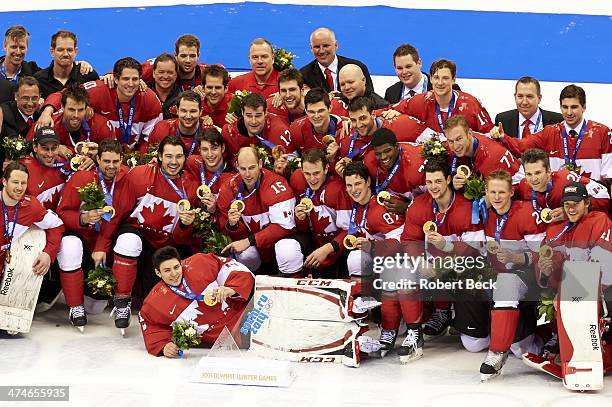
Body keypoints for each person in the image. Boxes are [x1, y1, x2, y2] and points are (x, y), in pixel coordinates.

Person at [93, 136, 198, 333]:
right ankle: (122, 302)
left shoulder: (190, 187)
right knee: (128, 241)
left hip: (162, 249)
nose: (173, 162)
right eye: (168, 156)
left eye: (178, 157)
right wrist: (101, 245)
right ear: (159, 156)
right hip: (137, 235)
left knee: (153, 299)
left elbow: (182, 240)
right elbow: (118, 212)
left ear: (185, 158)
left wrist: (185, 226)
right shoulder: (139, 175)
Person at [525, 182, 612, 379]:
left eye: (576, 203)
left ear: (587, 203)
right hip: (575, 292)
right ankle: (569, 352)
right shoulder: (556, 229)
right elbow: (551, 266)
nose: (571, 208)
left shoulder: (600, 220)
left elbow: (604, 267)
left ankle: (585, 358)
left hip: (603, 289)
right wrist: (546, 272)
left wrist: (572, 292)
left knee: (572, 292)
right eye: (567, 204)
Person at [479, 169, 545, 381]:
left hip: (527, 278)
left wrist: (518, 259)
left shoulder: (526, 214)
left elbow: (544, 256)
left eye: (501, 192)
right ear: (486, 193)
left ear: (511, 192)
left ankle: (497, 353)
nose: (496, 197)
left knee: (506, 283)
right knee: (473, 343)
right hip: (498, 279)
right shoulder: (484, 213)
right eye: (492, 192)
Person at [55, 139, 128, 330]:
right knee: (70, 245)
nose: (111, 166)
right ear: (97, 159)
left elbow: (118, 220)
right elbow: (62, 213)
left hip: (106, 245)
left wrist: (101, 248)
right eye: (106, 161)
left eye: (115, 162)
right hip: (83, 240)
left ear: (122, 160)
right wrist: (83, 218)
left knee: (95, 307)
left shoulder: (128, 180)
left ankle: (119, 301)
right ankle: (74, 306)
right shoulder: (81, 178)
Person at [139, 246, 254, 357]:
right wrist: (164, 346)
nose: (174, 274)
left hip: (247, 314)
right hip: (228, 340)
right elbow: (150, 324)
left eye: (176, 267)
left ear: (181, 263)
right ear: (158, 273)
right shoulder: (154, 303)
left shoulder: (201, 262)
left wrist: (232, 288)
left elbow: (231, 267)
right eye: (167, 270)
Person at [492, 84, 612, 182]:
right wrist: (503, 137)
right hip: (557, 200)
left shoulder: (602, 132)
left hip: (590, 201)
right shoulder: (550, 132)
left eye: (574, 107)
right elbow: (521, 146)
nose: (569, 112)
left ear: (584, 107)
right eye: (565, 107)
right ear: (560, 107)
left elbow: (609, 177)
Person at [40, 57, 163, 152]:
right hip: (102, 155)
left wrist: (136, 160)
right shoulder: (99, 91)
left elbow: (151, 140)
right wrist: (47, 112)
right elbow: (63, 95)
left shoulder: (150, 100)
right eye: (126, 79)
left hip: (131, 157)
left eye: (135, 79)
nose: (131, 84)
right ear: (115, 78)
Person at [217, 147, 296, 272]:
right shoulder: (228, 189)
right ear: (237, 166)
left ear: (260, 163)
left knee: (287, 250)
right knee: (245, 255)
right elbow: (226, 232)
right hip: (256, 249)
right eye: (243, 169)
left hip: (280, 243)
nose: (247, 174)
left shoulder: (276, 184)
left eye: (252, 168)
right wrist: (232, 225)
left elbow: (284, 226)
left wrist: (249, 241)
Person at [283, 149, 352, 277]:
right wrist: (300, 219)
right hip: (314, 244)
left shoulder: (337, 189)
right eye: (307, 174)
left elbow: (350, 230)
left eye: (316, 173)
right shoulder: (297, 180)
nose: (312, 179)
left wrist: (327, 249)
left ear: (326, 169)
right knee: (285, 247)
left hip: (338, 249)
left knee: (355, 259)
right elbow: (303, 229)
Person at [386, 59, 493, 134]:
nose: (440, 83)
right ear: (431, 79)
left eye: (445, 78)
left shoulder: (471, 103)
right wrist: (396, 111)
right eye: (436, 78)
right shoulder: (422, 100)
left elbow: (489, 132)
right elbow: (387, 110)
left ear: (453, 79)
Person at [0, 161, 64, 274]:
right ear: (4, 181)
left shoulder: (31, 206)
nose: (19, 188)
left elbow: (57, 225)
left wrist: (48, 253)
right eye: (15, 182)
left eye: (23, 183)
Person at [515, 148, 609, 224]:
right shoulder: (524, 186)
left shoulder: (566, 180)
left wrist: (572, 210)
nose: (533, 179)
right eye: (529, 174)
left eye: (538, 173)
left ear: (548, 171)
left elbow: (604, 197)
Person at [25, 83, 113, 159]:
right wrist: (53, 148)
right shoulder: (46, 125)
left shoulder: (101, 125)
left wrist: (98, 157)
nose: (76, 115)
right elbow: (26, 151)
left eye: (81, 110)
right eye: (71, 109)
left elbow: (115, 155)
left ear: (86, 108)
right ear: (62, 107)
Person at [445, 115, 523, 193]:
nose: (455, 147)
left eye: (459, 139)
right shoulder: (469, 137)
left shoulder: (491, 160)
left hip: (518, 190)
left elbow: (496, 197)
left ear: (469, 134)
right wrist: (453, 184)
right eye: (451, 141)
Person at [220, 93, 294, 173]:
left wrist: (283, 170)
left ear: (265, 112)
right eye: (249, 116)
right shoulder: (229, 132)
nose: (253, 121)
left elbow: (294, 164)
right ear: (242, 112)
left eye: (258, 116)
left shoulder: (280, 131)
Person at [361, 128, 427, 215]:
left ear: (396, 146)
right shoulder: (369, 161)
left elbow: (437, 197)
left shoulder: (417, 164)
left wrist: (407, 207)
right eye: (378, 153)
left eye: (387, 151)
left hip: (421, 210)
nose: (383, 157)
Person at [300, 27, 374, 94]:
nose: (321, 51)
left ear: (336, 45)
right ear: (311, 48)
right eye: (317, 47)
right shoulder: (304, 75)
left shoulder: (357, 67)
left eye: (326, 46)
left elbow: (371, 97)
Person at [183, 127, 236, 216]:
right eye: (205, 149)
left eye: (214, 148)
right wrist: (158, 163)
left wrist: (214, 210)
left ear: (222, 148)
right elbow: (173, 167)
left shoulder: (232, 178)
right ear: (199, 150)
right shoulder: (192, 163)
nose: (210, 154)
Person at [34, 30, 99, 99]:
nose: (65, 54)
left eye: (69, 50)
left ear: (75, 51)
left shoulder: (88, 76)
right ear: (52, 52)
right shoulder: (39, 80)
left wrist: (108, 76)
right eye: (60, 50)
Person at [22, 126, 74, 210]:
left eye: (53, 148)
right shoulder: (21, 169)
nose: (50, 154)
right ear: (35, 147)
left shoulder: (67, 159)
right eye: (45, 148)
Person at [493, 76, 563, 139]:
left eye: (529, 96)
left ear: (539, 98)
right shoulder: (502, 120)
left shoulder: (557, 121)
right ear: (515, 97)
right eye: (520, 96)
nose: (524, 102)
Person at [1, 76, 41, 170]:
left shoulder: (41, 114)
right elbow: (15, 144)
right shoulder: (6, 114)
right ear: (16, 96)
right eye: (25, 98)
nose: (30, 103)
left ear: (40, 97)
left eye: (34, 98)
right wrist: (44, 144)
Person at [288, 88, 342, 158]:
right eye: (311, 112)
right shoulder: (296, 129)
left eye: (321, 111)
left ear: (330, 108)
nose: (316, 116)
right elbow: (291, 162)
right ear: (306, 111)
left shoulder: (344, 128)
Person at [147, 90, 203, 156]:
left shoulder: (208, 133)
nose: (188, 116)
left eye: (193, 111)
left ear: (201, 112)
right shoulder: (161, 129)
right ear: (177, 110)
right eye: (184, 111)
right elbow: (149, 157)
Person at [146, 53, 181, 120]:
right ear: (153, 73)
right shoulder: (143, 94)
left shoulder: (182, 99)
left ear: (176, 74)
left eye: (170, 72)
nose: (165, 76)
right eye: (161, 72)